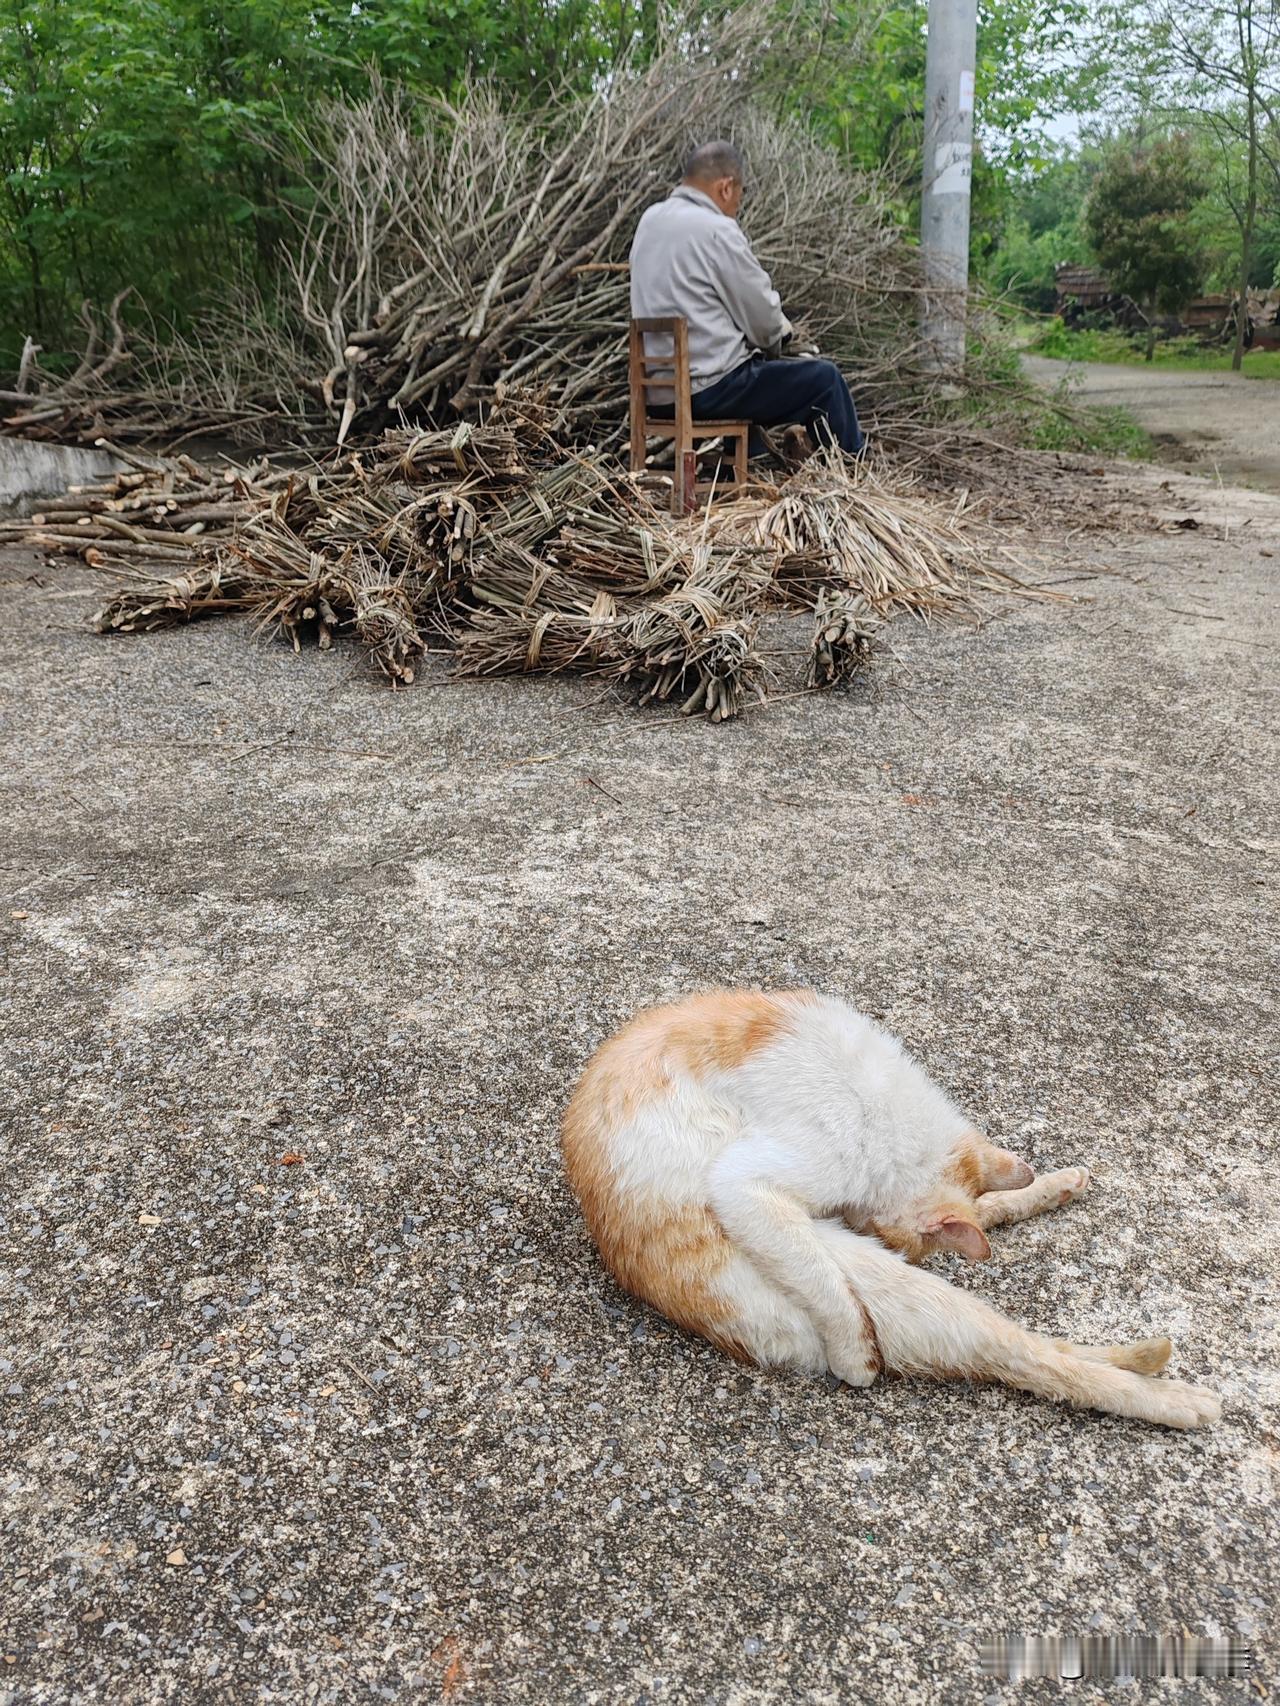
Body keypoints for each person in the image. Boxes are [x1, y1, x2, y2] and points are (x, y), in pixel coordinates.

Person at [628, 140, 864, 457]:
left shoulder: (649, 221)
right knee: (825, 380)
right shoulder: (716, 230)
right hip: (708, 391)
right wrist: (781, 340)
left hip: (656, 394)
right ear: (726, 187)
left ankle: (738, 467)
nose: (739, 204)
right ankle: (853, 473)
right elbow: (764, 323)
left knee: (747, 370)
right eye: (740, 194)